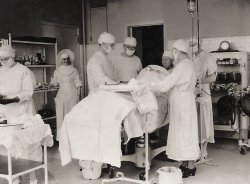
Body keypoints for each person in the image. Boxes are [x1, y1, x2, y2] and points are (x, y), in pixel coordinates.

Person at [151, 39, 200, 178]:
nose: (174, 54)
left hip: (182, 103)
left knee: (185, 133)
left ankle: (191, 166)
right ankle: (186, 164)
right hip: (185, 101)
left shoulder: (182, 66)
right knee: (185, 133)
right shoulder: (188, 64)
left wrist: (149, 84)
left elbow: (166, 84)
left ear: (178, 51)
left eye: (175, 51)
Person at [0, 45, 39, 184]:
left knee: (27, 146)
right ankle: (15, 176)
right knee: (9, 146)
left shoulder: (24, 71)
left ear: (13, 56)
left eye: (6, 59)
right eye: (1, 60)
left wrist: (12, 98)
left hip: (23, 113)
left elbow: (28, 92)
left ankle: (32, 177)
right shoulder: (1, 71)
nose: (4, 62)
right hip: (7, 114)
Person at [189, 38, 217, 159]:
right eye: (190, 45)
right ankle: (194, 151)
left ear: (200, 44)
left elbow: (213, 78)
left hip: (204, 92)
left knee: (203, 120)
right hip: (191, 93)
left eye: (193, 44)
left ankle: (204, 151)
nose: (191, 47)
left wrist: (199, 81)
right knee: (193, 121)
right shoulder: (190, 58)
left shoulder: (208, 57)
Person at [49, 49, 82, 141]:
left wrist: (78, 96)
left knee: (72, 115)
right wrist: (49, 85)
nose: (66, 61)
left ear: (69, 59)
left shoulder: (74, 70)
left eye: (67, 59)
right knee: (61, 115)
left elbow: (78, 83)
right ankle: (63, 138)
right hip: (62, 96)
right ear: (61, 60)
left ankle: (73, 137)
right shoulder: (57, 71)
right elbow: (54, 82)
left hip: (72, 94)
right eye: (64, 59)